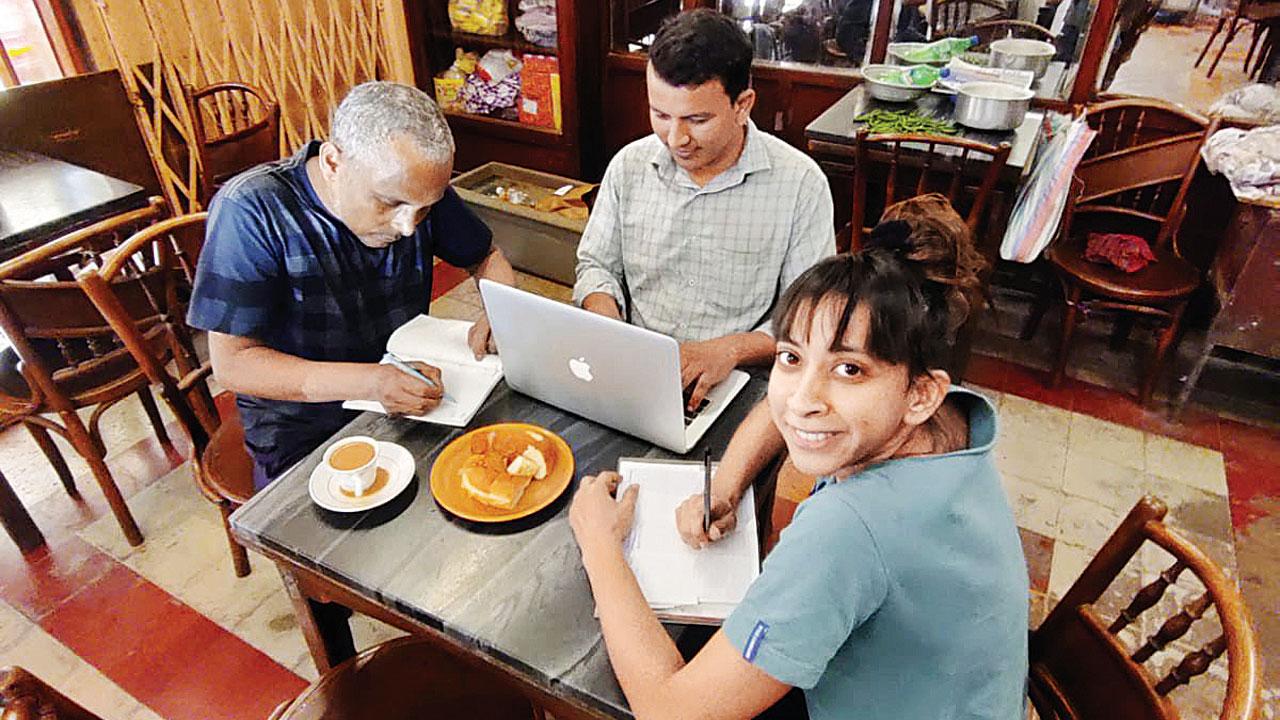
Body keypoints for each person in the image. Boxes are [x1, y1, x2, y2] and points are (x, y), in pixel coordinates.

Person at [568, 194, 1028, 719]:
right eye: (791, 357)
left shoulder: (850, 530)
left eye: (849, 370)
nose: (804, 400)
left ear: (920, 394)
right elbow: (778, 405)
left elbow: (671, 713)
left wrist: (600, 543)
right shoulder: (948, 424)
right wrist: (725, 485)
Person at [187, 81, 516, 488]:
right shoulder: (254, 211)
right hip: (303, 427)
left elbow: (486, 256)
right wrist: (371, 381)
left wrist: (502, 311)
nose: (409, 227)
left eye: (425, 209)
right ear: (332, 163)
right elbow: (233, 364)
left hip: (410, 402)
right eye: (389, 203)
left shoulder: (415, 189)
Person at [573, 9, 835, 410]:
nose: (676, 139)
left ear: (743, 104)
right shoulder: (629, 166)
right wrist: (609, 323)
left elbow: (808, 319)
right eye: (660, 115)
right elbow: (596, 265)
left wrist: (727, 351)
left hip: (740, 383)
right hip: (635, 367)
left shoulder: (800, 185)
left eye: (697, 119)